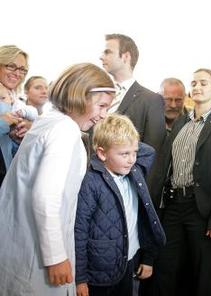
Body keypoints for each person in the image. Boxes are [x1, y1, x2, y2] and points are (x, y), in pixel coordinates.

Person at [0, 63, 114, 295]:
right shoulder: (65, 130)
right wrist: (56, 257)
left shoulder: (47, 121)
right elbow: (45, 196)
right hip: (39, 258)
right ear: (80, 97)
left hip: (18, 248)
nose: (103, 115)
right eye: (102, 106)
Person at [152, 68, 211, 296]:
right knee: (167, 268)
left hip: (201, 209)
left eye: (203, 83)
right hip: (173, 205)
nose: (197, 87)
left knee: (204, 274)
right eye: (194, 83)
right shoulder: (181, 122)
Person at [74, 114, 166, 296]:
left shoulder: (134, 171)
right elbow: (79, 231)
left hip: (128, 261)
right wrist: (80, 278)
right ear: (101, 153)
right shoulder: (91, 181)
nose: (132, 159)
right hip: (99, 272)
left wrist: (118, 129)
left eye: (134, 152)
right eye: (124, 154)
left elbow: (149, 151)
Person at [100, 33, 166, 153]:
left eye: (107, 52)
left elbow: (152, 152)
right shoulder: (97, 95)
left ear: (125, 57)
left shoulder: (152, 100)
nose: (101, 57)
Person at [0, 45, 36, 184]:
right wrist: (4, 123)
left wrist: (20, 134)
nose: (17, 73)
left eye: (22, 70)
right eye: (11, 66)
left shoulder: (16, 100)